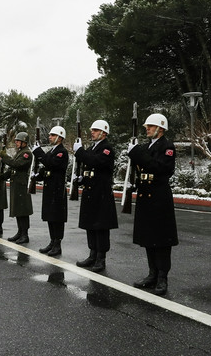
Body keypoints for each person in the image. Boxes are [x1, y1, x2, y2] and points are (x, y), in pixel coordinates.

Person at [127, 113, 178, 296]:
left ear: (161, 128)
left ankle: (162, 278)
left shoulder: (167, 147)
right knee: (149, 237)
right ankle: (152, 274)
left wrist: (137, 154)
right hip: (146, 195)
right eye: (146, 126)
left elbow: (160, 168)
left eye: (150, 126)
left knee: (162, 240)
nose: (147, 129)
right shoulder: (146, 146)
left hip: (159, 196)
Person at [73, 120, 118, 272]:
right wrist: (82, 179)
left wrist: (79, 152)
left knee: (101, 227)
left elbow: (95, 162)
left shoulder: (106, 149)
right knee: (90, 225)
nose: (92, 132)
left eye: (95, 130)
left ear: (104, 133)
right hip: (91, 192)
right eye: (92, 129)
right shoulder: (93, 147)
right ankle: (92, 254)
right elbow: (90, 168)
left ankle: (101, 258)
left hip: (101, 194)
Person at [32, 126, 69, 256]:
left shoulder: (61, 152)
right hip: (50, 189)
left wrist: (38, 152)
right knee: (50, 217)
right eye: (50, 135)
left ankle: (57, 244)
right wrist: (37, 176)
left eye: (53, 135)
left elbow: (51, 163)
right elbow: (46, 168)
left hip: (57, 190)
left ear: (59, 137)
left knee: (57, 218)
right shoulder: (52, 151)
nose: (50, 137)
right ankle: (52, 241)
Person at [0, 132, 33, 244]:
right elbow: (13, 168)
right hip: (16, 184)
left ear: (24, 142)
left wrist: (4, 156)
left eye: (19, 141)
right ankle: (20, 232)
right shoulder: (20, 152)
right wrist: (4, 176)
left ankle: (25, 234)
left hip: (22, 184)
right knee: (18, 209)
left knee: (23, 210)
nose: (17, 143)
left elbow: (16, 164)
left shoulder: (27, 153)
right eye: (16, 141)